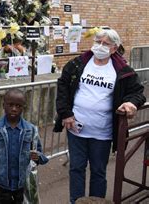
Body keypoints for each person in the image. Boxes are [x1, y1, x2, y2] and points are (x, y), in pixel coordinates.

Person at [54, 29, 146, 203]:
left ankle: (96, 202)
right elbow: (63, 86)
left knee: (98, 171)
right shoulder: (78, 64)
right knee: (76, 169)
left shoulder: (122, 70)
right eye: (98, 42)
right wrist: (65, 113)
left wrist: (131, 103)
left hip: (102, 133)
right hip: (76, 129)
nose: (100, 46)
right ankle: (76, 201)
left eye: (105, 44)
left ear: (114, 48)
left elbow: (137, 92)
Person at [0, 89, 48, 204]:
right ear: (3, 105)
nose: (14, 109)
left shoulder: (30, 129)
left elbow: (40, 155)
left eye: (18, 106)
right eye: (10, 105)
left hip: (23, 185)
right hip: (1, 184)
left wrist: (37, 157)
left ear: (23, 107)